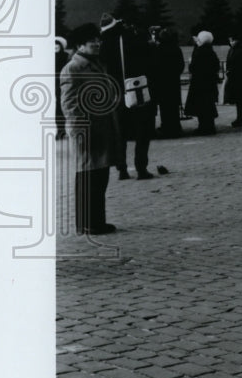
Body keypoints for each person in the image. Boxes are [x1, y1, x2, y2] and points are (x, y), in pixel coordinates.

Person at [60, 23, 120, 235]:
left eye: (97, 39)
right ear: (79, 45)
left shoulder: (95, 64)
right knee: (88, 177)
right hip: (87, 131)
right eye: (91, 41)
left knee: (99, 176)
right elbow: (69, 104)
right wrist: (81, 132)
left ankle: (95, 221)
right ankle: (88, 223)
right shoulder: (73, 68)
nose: (97, 43)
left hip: (101, 128)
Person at [99, 13, 157, 180]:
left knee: (120, 133)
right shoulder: (132, 38)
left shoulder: (104, 44)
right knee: (142, 131)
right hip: (136, 90)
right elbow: (149, 60)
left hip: (116, 93)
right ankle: (141, 168)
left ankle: (122, 169)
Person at [184, 29, 220, 135]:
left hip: (199, 84)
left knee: (201, 107)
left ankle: (203, 127)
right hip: (210, 84)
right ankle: (210, 126)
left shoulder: (199, 52)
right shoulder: (211, 52)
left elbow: (193, 67)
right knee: (209, 106)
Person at [153, 27, 186, 137]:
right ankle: (175, 127)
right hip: (174, 82)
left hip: (162, 83)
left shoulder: (159, 49)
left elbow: (155, 66)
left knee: (164, 106)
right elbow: (181, 65)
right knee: (174, 106)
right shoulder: (176, 49)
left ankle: (166, 127)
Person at [223, 30, 242, 127]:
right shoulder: (232, 49)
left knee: (240, 100)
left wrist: (237, 70)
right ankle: (239, 118)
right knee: (238, 99)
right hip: (235, 78)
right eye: (230, 41)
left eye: (233, 40)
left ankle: (240, 119)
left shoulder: (241, 50)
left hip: (239, 78)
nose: (231, 42)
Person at [55, 36, 69, 139]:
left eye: (57, 47)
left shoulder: (66, 57)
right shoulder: (49, 57)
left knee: (63, 106)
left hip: (64, 84)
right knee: (57, 108)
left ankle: (63, 130)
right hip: (55, 85)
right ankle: (59, 130)